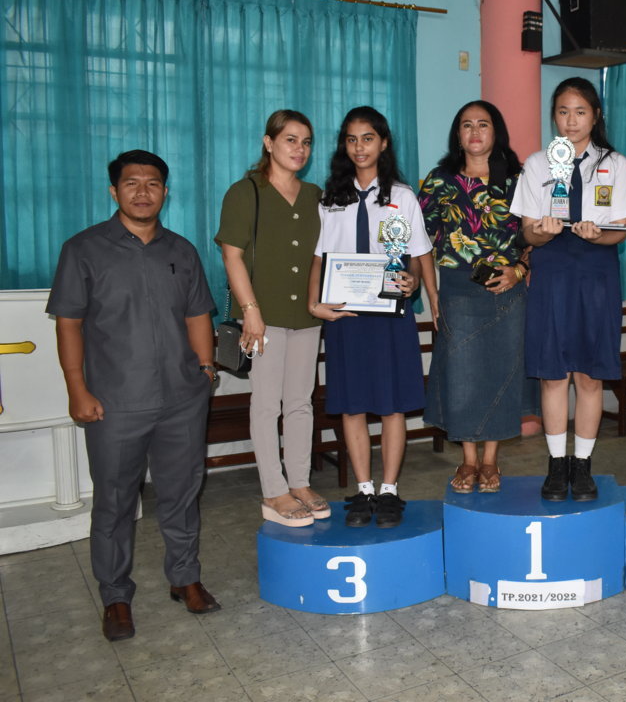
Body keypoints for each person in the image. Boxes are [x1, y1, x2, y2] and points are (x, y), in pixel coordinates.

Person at [47, 150, 221, 642]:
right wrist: (76, 388)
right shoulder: (83, 249)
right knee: (115, 502)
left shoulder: (181, 250)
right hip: (114, 402)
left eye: (153, 184)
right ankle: (116, 596)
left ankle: (184, 578)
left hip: (182, 398)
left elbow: (197, 315)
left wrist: (206, 370)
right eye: (132, 183)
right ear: (114, 190)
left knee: (182, 493)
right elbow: (69, 323)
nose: (143, 192)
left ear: (165, 192)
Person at [510, 77, 626, 501]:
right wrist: (543, 232)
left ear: (595, 116)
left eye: (580, 112)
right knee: (552, 374)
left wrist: (597, 234)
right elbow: (527, 233)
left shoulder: (615, 164)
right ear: (554, 116)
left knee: (589, 374)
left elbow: (620, 231)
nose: (571, 120)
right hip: (552, 273)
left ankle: (582, 465)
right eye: (563, 112)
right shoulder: (537, 164)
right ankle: (555, 464)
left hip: (597, 275)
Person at [308, 106, 430, 528]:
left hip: (391, 315)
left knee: (393, 406)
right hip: (346, 317)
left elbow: (417, 255)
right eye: (351, 139)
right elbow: (319, 258)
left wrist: (414, 282)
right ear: (344, 145)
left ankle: (389, 490)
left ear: (383, 143)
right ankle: (363, 490)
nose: (359, 147)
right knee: (353, 405)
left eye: (368, 138)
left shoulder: (403, 196)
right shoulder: (330, 200)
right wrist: (313, 303)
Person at [215, 110, 327, 527]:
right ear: (269, 143)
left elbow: (321, 256)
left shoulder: (315, 195)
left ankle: (299, 482)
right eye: (290, 140)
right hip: (262, 316)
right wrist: (251, 312)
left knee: (300, 403)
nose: (300, 149)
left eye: (306, 142)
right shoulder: (246, 192)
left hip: (305, 315)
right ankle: (274, 491)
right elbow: (232, 255)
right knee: (266, 404)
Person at [418, 101, 527, 493]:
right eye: (467, 125)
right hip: (458, 289)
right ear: (458, 134)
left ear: (496, 131)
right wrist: (432, 294)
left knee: (502, 373)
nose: (475, 132)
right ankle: (468, 459)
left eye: (483, 124)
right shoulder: (439, 181)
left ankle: (491, 460)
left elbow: (534, 237)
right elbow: (418, 241)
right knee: (461, 376)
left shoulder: (518, 179)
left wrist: (519, 271)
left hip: (507, 288)